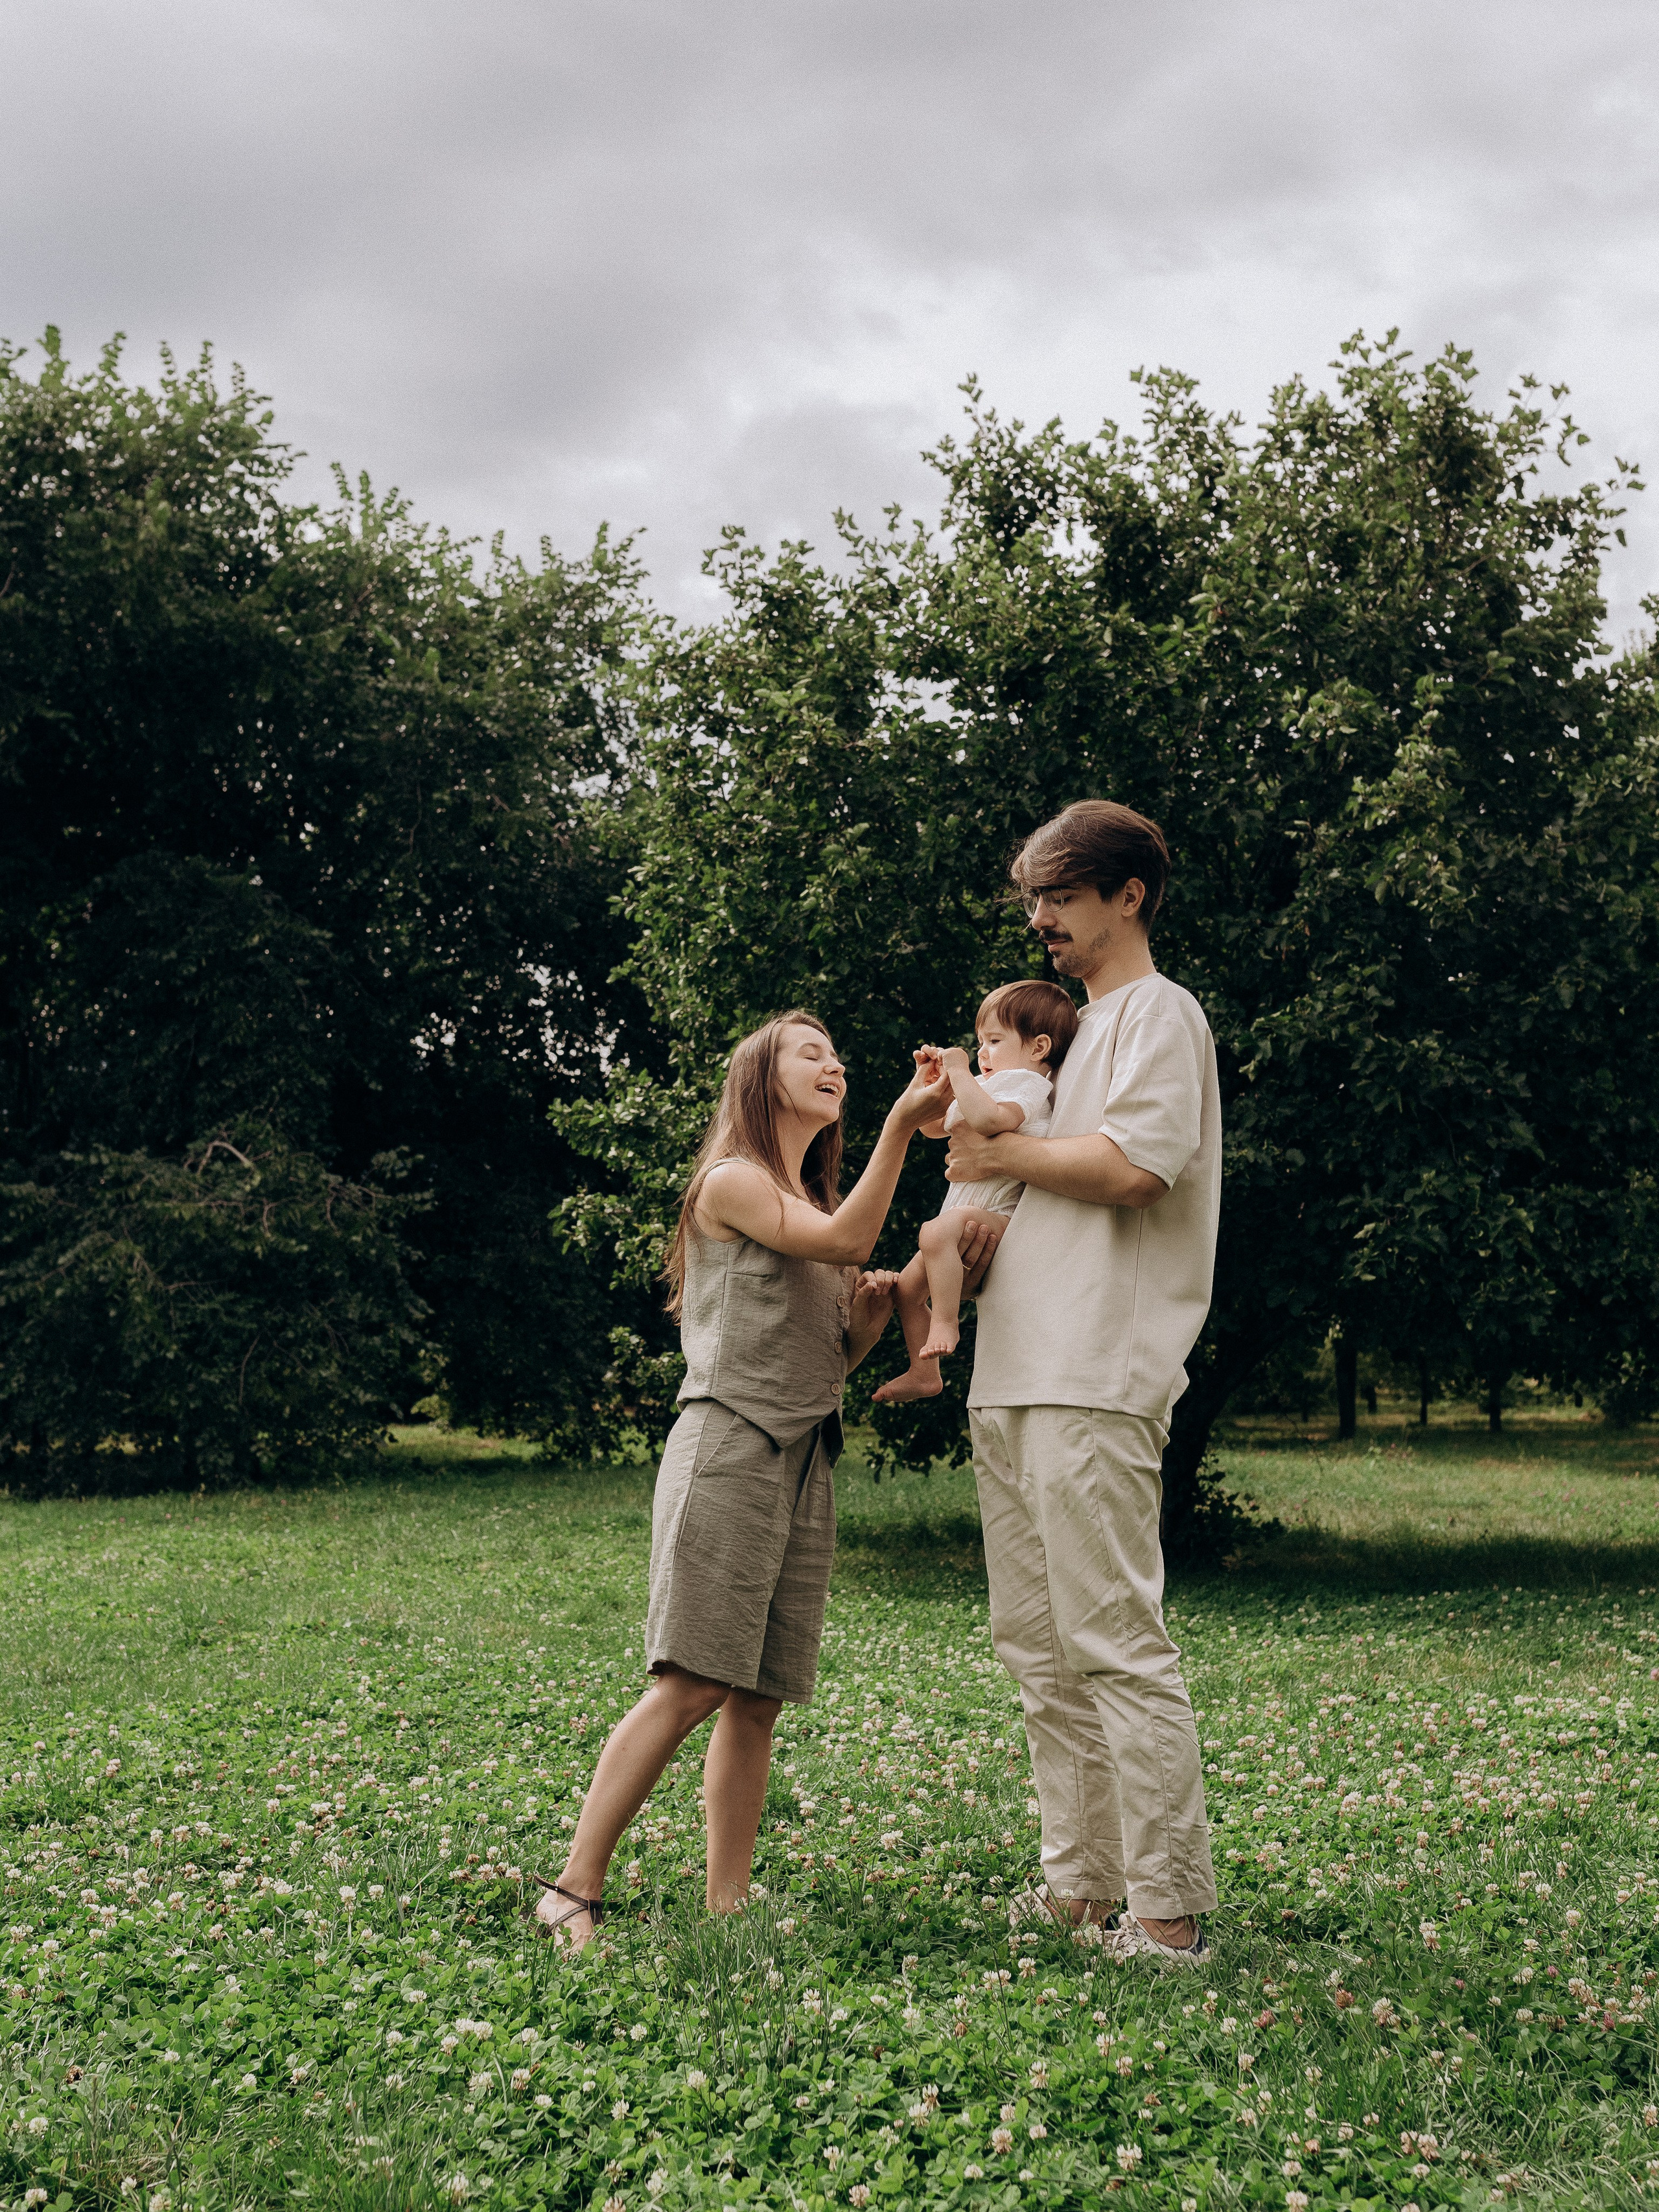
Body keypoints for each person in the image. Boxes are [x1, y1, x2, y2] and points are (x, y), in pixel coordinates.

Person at [532, 1010, 988, 1950]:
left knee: (758, 1697)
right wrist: (905, 1125)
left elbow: (827, 1358)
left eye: (837, 1052)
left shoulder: (813, 1209)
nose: (835, 1064)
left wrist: (887, 1315)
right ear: (759, 1078)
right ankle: (571, 1887)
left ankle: (727, 1898)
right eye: (809, 1052)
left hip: (804, 1454)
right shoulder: (735, 1182)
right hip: (729, 1447)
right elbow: (846, 1240)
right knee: (691, 1681)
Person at [945, 801, 1222, 1964]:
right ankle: (1079, 1885)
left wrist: (999, 1153)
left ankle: (1166, 1912)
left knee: (1113, 1640)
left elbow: (1135, 1168)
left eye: (1060, 894)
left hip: (1098, 1372)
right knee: (1037, 1649)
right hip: (1011, 1374)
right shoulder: (1068, 1033)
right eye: (1034, 898)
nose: (1041, 917)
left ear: (1128, 895)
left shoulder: (1160, 1015)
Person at [872, 981, 1078, 1404]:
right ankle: (924, 1372)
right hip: (964, 1215)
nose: (982, 1052)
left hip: (999, 1218)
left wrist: (962, 1072)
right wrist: (938, 1083)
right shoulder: (988, 1084)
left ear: (1039, 1047)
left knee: (932, 1233)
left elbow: (990, 1121)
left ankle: (946, 1321)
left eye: (994, 1040)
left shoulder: (1027, 1084)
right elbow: (934, 1128)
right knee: (906, 1290)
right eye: (979, 1041)